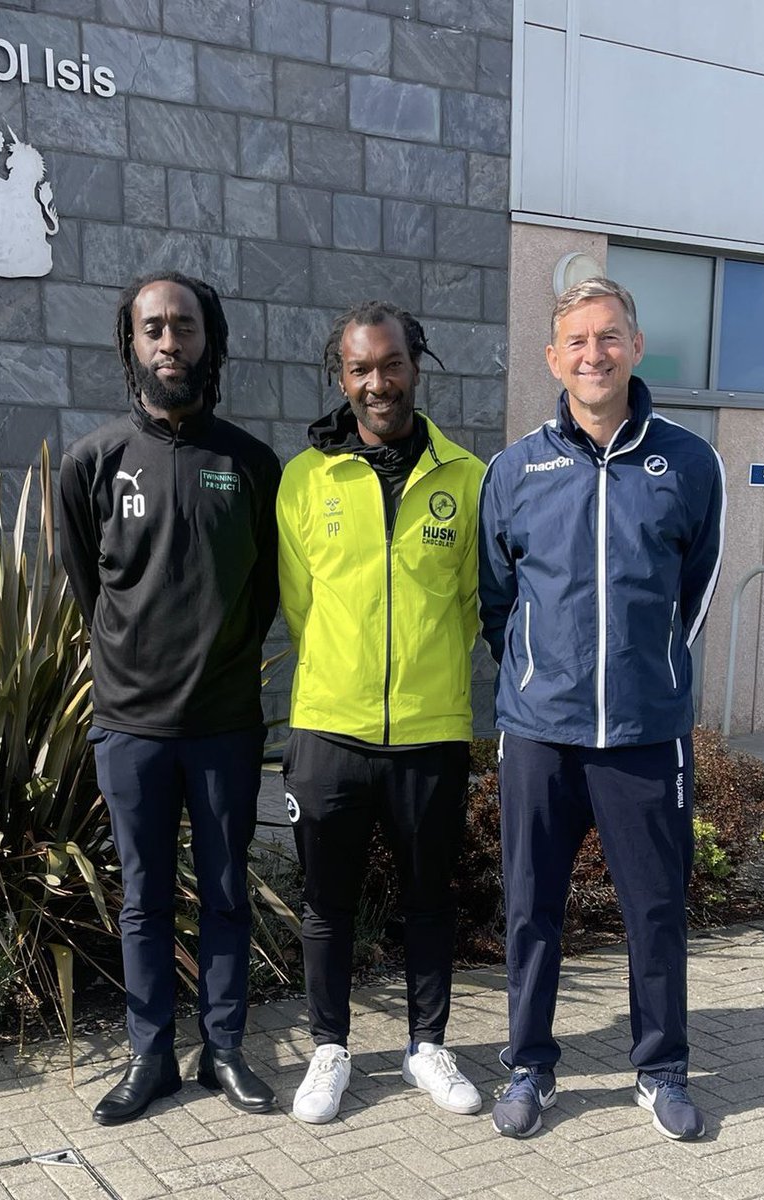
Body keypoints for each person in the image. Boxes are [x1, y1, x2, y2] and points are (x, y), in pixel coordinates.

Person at [479, 277, 726, 1142]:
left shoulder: (690, 462)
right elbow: (496, 603)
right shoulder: (515, 471)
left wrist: (648, 673)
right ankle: (530, 1068)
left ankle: (660, 1069)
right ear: (553, 358)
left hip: (644, 736)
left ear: (635, 344)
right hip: (539, 734)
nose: (594, 354)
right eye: (577, 340)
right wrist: (540, 675)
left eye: (609, 336)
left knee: (655, 909)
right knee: (531, 907)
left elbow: (694, 592)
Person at [60, 271, 282, 1125]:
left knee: (227, 893)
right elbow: (91, 589)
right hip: (131, 727)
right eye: (153, 328)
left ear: (208, 342)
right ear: (132, 343)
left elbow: (262, 593)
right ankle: (149, 1055)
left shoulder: (252, 464)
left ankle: (223, 1049)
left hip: (224, 724)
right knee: (144, 900)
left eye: (184, 328)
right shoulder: (92, 463)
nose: (169, 344)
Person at [276, 299, 487, 1124]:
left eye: (390, 364)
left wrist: (422, 681)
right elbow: (300, 605)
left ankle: (426, 1045)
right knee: (327, 902)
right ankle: (330, 1048)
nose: (378, 383)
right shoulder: (305, 479)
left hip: (431, 732)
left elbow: (473, 604)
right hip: (329, 728)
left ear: (415, 364)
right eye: (360, 369)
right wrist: (349, 677)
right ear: (342, 377)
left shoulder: (466, 479)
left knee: (429, 898)